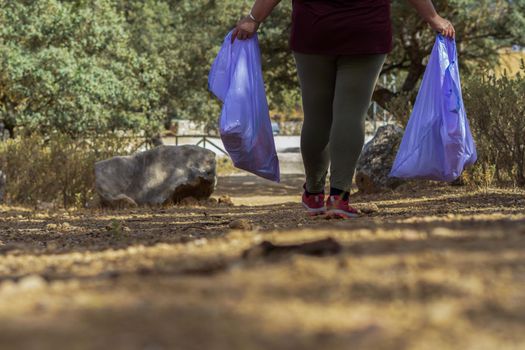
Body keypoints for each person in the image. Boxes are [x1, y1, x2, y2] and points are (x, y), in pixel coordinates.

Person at [233, 0, 455, 219]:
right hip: (365, 31)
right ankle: (339, 198)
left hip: (313, 30)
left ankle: (314, 194)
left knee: (316, 116)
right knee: (350, 114)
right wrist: (433, 18)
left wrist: (253, 19)